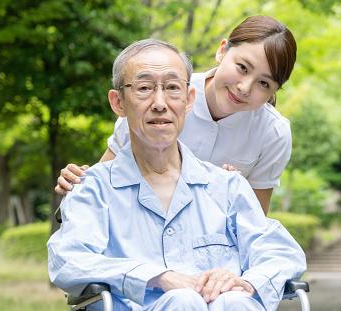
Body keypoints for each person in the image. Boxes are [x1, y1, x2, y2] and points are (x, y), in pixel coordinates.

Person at [47, 39, 306, 311]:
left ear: (188, 100)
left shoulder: (228, 186)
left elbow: (282, 251)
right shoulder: (93, 189)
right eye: (144, 88)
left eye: (172, 88)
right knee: (183, 301)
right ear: (118, 103)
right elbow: (67, 258)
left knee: (235, 301)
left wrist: (246, 281)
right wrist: (156, 277)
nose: (160, 103)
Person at [55, 15, 297, 213]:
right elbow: (103, 183)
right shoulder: (159, 96)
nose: (245, 87)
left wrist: (233, 194)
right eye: (242, 68)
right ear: (222, 50)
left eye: (264, 83)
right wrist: (77, 182)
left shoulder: (273, 133)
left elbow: (253, 223)